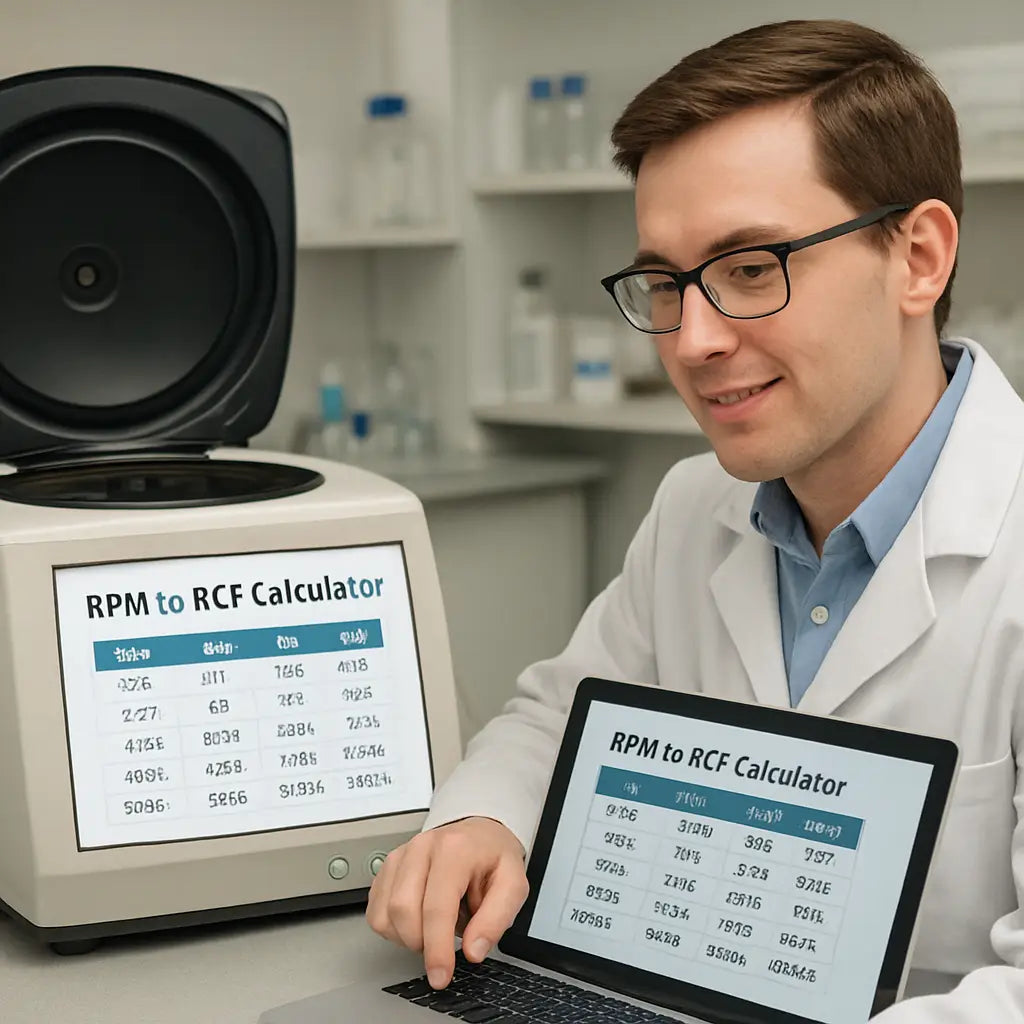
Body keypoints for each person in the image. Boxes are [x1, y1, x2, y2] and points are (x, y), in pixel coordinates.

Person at [368, 18, 1024, 1020]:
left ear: (918, 256)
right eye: (666, 282)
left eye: (752, 267)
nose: (694, 338)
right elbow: (557, 713)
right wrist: (480, 820)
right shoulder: (693, 506)